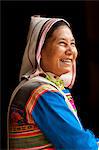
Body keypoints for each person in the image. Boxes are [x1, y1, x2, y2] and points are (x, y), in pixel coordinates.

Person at [7, 15, 99, 150]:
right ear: (40, 51)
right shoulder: (41, 93)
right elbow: (80, 146)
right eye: (62, 43)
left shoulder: (51, 88)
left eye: (72, 44)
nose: (70, 51)